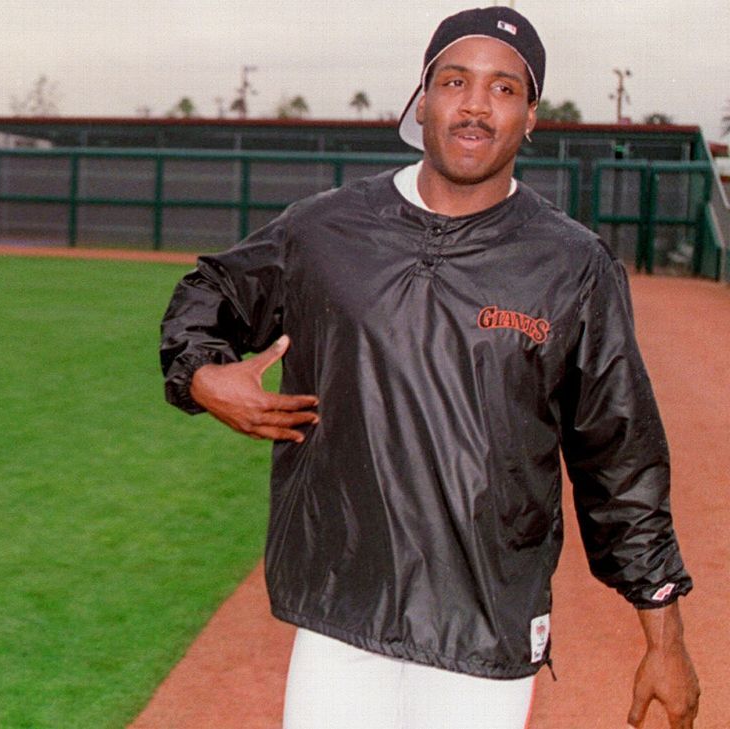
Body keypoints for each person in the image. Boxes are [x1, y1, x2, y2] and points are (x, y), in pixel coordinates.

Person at [160, 7, 698, 728]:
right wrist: (201, 375)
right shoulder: (324, 230)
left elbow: (620, 455)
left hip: (483, 630)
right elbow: (210, 292)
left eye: (504, 89)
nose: (476, 105)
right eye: (455, 81)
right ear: (422, 98)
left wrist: (664, 638)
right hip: (341, 615)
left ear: (532, 115)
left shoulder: (572, 267)